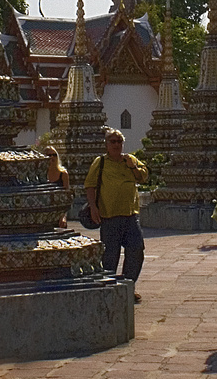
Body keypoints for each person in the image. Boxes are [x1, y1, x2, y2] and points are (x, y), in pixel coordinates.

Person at [84, 127, 149, 302]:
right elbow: (90, 185)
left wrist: (133, 166)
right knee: (110, 254)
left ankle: (128, 285)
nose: (116, 145)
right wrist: (93, 207)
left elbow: (143, 177)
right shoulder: (101, 162)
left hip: (130, 215)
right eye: (112, 141)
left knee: (136, 250)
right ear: (106, 144)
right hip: (109, 215)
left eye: (119, 141)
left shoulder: (130, 159)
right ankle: (109, 287)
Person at [46, 146, 72, 228]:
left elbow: (66, 197)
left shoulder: (63, 174)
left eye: (54, 155)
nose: (52, 157)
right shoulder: (40, 175)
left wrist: (63, 216)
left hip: (59, 213)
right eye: (49, 155)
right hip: (45, 213)